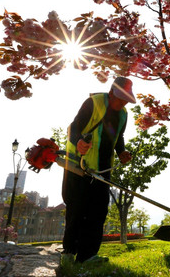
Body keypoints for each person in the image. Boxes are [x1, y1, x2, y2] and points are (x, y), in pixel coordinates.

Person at [60, 77, 135, 264]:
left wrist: (122, 152)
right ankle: (69, 251)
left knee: (98, 212)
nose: (123, 102)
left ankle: (88, 256)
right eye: (120, 98)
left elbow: (118, 137)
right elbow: (73, 128)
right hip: (79, 165)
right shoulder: (93, 103)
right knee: (77, 209)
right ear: (111, 93)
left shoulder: (123, 114)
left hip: (102, 170)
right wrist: (78, 142)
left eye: (126, 99)